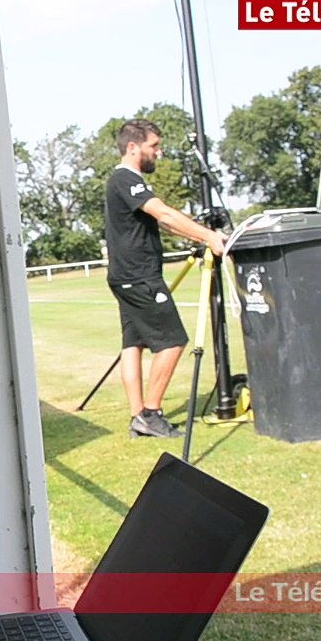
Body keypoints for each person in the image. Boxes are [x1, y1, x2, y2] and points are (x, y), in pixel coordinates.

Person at [103, 119, 226, 439]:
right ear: (133, 147)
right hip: (139, 276)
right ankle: (151, 413)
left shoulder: (124, 182)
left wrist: (199, 234)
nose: (159, 152)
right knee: (172, 341)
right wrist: (210, 236)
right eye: (153, 146)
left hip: (125, 276)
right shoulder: (125, 179)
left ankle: (137, 417)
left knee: (134, 344)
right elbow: (165, 214)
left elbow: (167, 224)